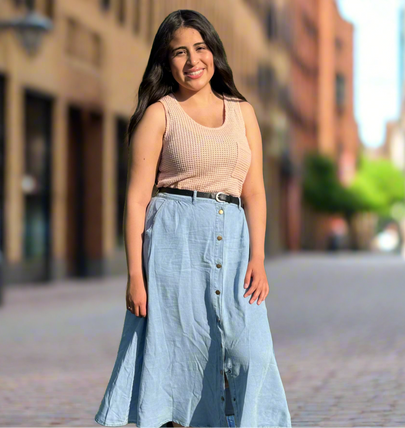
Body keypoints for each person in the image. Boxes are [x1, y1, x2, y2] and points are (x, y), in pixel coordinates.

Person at [94, 9, 292, 428]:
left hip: (234, 242)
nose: (192, 61)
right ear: (166, 63)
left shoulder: (243, 112)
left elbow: (255, 191)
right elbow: (135, 200)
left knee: (250, 352)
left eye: (200, 48)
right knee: (180, 354)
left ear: (214, 53)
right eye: (178, 53)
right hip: (174, 243)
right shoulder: (159, 114)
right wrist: (134, 275)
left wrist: (258, 258)